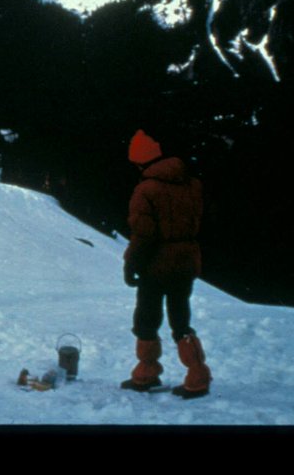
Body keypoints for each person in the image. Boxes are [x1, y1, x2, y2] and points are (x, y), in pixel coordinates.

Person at [120, 130, 213, 398]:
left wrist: (130, 264)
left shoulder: (146, 189)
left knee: (147, 318)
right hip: (186, 260)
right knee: (181, 319)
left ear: (140, 162)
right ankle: (198, 375)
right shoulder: (192, 184)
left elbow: (144, 235)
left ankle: (146, 373)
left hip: (156, 265)